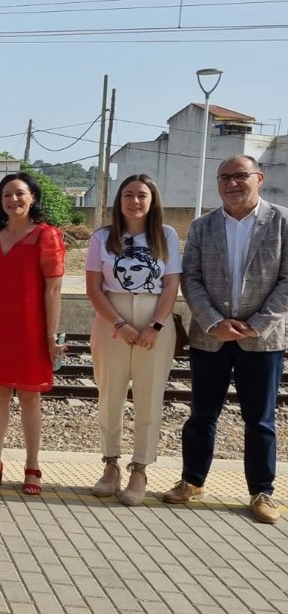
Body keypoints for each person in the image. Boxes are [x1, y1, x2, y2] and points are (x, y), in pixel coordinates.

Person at [163, 155, 288, 524]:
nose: (232, 183)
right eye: (224, 177)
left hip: (261, 339)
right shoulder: (202, 226)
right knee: (202, 415)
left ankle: (261, 491)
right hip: (211, 337)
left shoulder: (282, 221)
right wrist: (214, 321)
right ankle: (192, 481)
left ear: (259, 178)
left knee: (260, 419)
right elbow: (191, 278)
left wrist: (257, 324)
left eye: (240, 176)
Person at [0, 171, 65, 496]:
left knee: (30, 397)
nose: (13, 199)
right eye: (6, 194)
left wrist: (50, 336)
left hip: (31, 327)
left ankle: (32, 466)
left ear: (32, 198)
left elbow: (53, 289)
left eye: (20, 193)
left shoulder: (46, 236)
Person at [86, 175, 180, 506]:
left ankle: (140, 468)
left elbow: (171, 285)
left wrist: (155, 326)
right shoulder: (102, 237)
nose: (135, 201)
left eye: (142, 195)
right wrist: (120, 323)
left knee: (149, 396)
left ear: (152, 201)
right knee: (109, 393)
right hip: (112, 318)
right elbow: (93, 288)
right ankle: (110, 463)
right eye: (128, 194)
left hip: (155, 318)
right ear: (119, 200)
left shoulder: (166, 236)